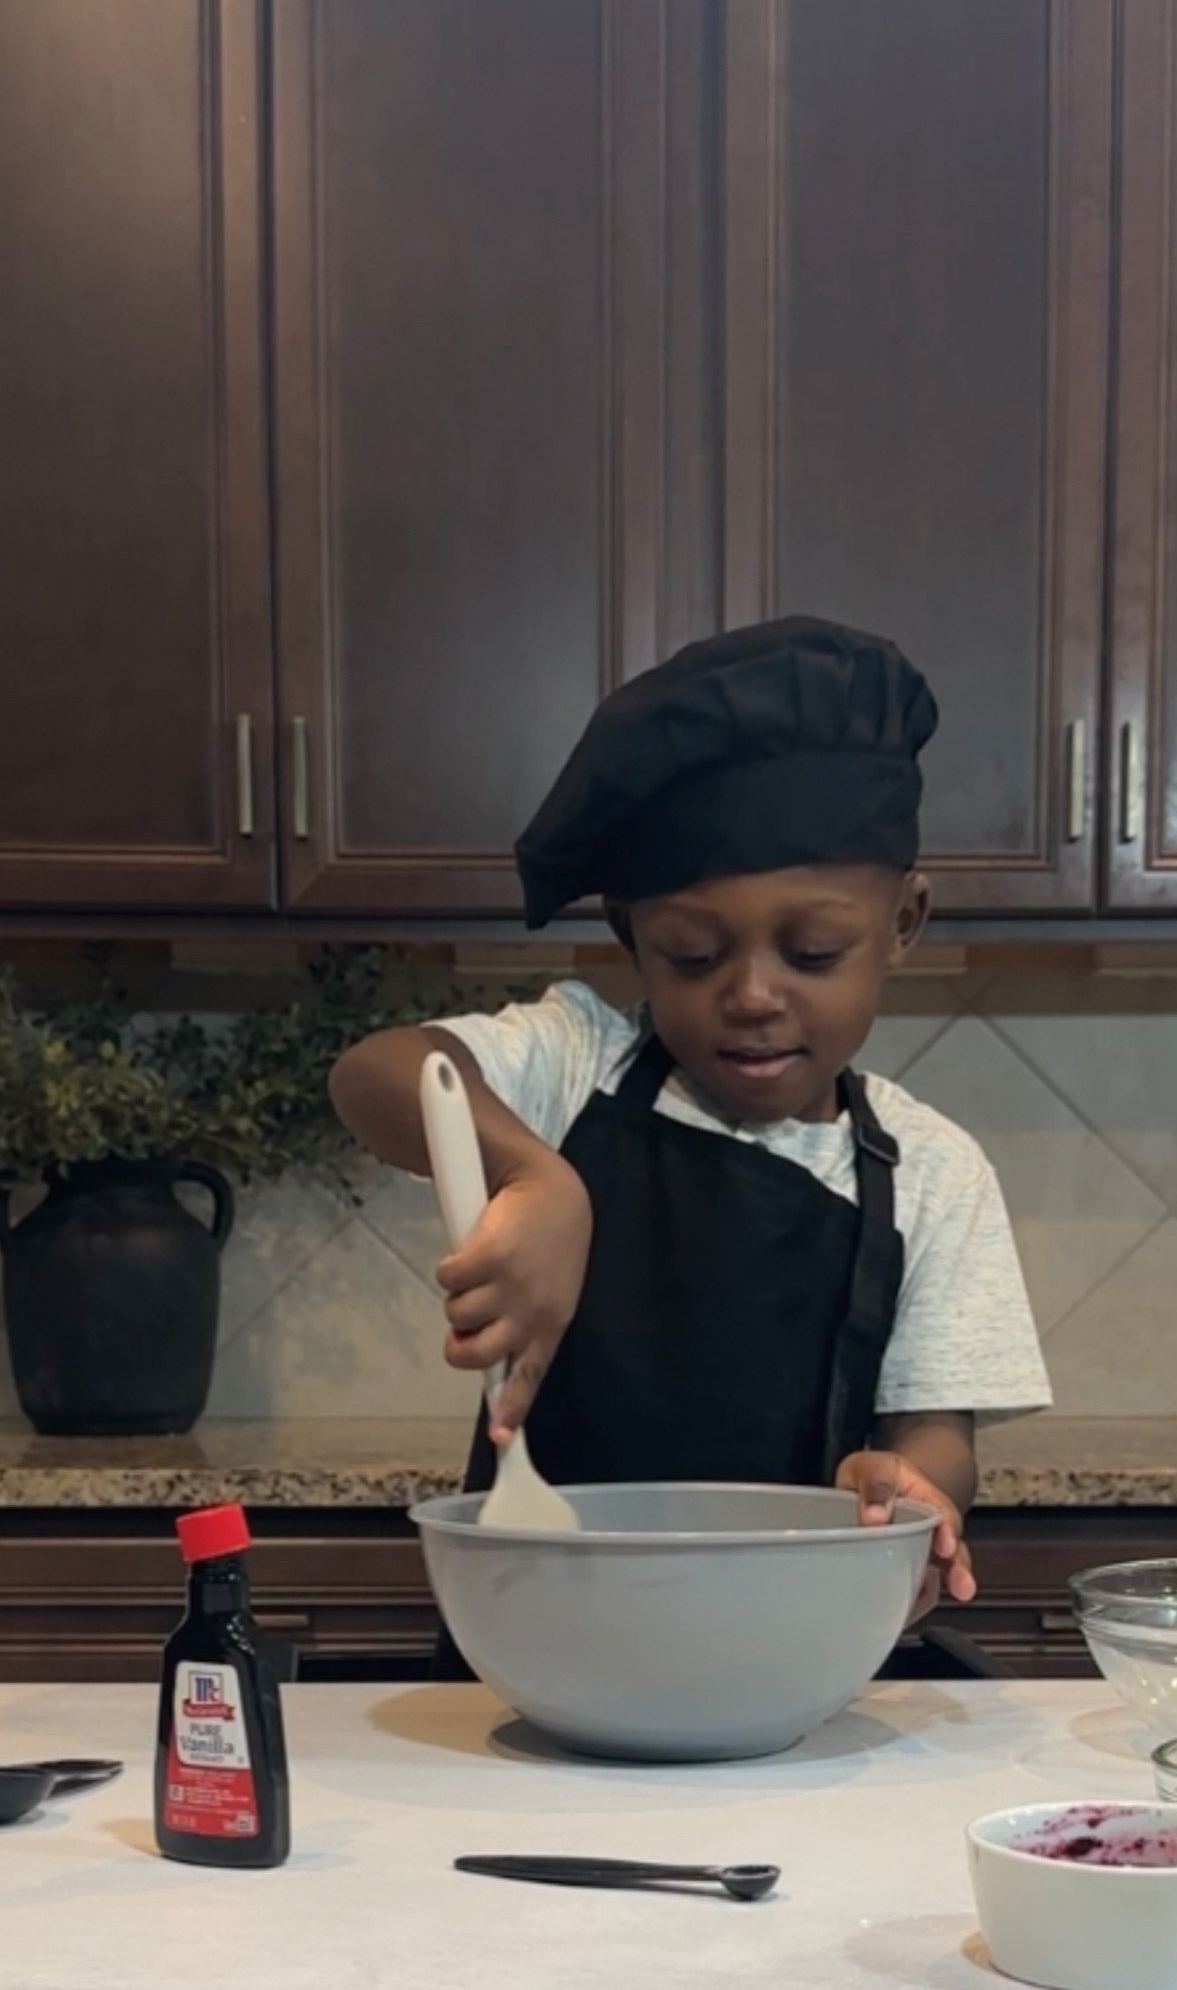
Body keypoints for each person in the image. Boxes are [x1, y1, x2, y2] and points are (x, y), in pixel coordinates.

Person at [331, 618, 1050, 1676]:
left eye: (812, 951)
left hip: (789, 1665)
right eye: (694, 953)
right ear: (630, 938)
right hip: (540, 1653)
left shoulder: (932, 1169)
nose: (752, 995)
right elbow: (379, 1072)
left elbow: (936, 1430)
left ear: (904, 919)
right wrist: (536, 1174)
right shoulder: (576, 1066)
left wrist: (908, 1484)